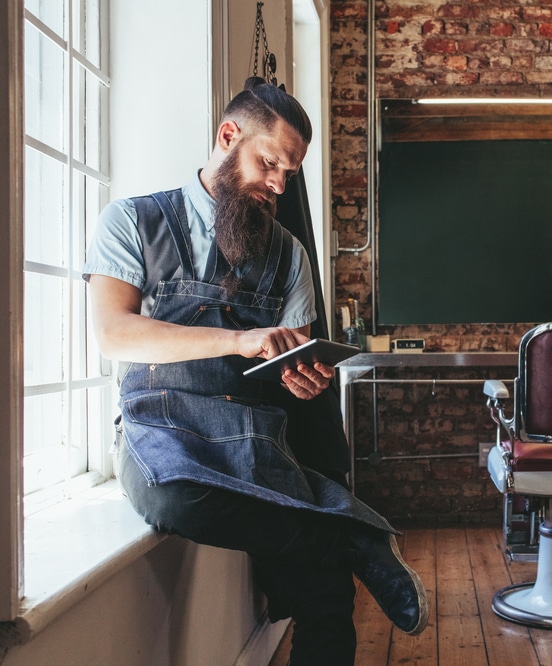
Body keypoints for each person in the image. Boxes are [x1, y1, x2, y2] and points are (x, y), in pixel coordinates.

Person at [83, 77, 427, 664]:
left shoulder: (290, 256)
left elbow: (293, 364)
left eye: (289, 174)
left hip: (252, 436)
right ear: (228, 136)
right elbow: (113, 333)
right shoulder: (131, 221)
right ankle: (348, 534)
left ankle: (337, 543)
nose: (277, 185)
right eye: (269, 163)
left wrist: (303, 379)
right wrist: (240, 339)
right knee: (176, 501)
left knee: (326, 598)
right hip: (160, 429)